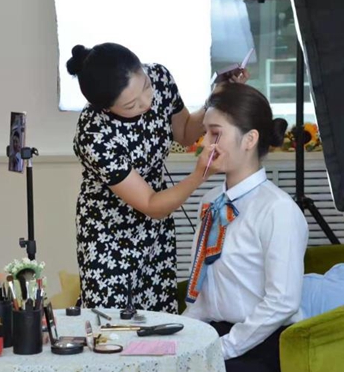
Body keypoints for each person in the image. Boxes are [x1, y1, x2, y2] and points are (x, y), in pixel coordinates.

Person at [68, 42, 249, 313]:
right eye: (131, 105)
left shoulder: (160, 78)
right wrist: (200, 174)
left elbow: (185, 132)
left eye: (145, 86)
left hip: (155, 229)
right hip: (108, 232)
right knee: (110, 320)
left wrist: (218, 95)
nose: (146, 102)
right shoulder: (94, 134)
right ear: (105, 108)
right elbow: (151, 204)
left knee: (157, 317)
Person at [182, 83, 308, 372]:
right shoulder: (210, 200)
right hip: (215, 335)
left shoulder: (278, 209)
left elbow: (283, 302)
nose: (204, 144)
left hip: (264, 343)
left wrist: (222, 348)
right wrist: (182, 334)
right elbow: (205, 293)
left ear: (250, 139)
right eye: (205, 133)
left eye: (215, 133)